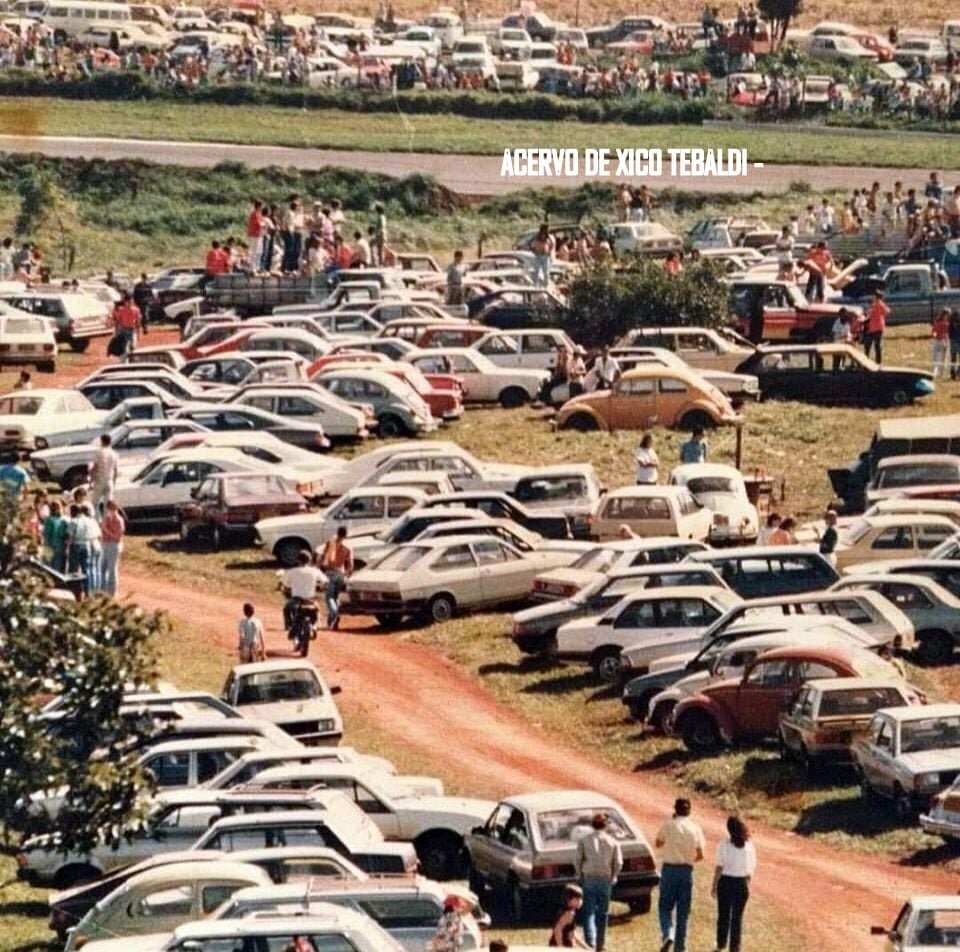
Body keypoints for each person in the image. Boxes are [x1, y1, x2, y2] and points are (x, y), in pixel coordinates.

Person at [656, 797, 706, 952]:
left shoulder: (668, 824)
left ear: (675, 809)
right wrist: (689, 860)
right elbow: (701, 854)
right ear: (689, 810)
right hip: (686, 871)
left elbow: (658, 843)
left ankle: (668, 932)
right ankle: (680, 947)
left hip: (670, 869)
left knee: (665, 907)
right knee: (683, 911)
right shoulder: (695, 828)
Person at [574, 812, 622, 952]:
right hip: (605, 879)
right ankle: (601, 944)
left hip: (589, 877)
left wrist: (579, 874)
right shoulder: (613, 842)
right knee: (603, 912)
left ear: (592, 825)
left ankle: (590, 942)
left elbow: (577, 860)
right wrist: (614, 876)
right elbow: (618, 862)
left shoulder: (584, 840)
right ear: (605, 826)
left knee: (588, 911)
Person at [712, 816, 756, 952]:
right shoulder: (749, 846)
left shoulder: (724, 845)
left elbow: (719, 867)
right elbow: (751, 868)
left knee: (723, 915)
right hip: (741, 883)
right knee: (737, 918)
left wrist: (714, 885)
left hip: (726, 882)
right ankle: (735, 948)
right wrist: (746, 883)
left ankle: (721, 944)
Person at [318, 526, 353, 630]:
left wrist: (319, 568)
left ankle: (334, 613)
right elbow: (350, 564)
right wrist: (346, 574)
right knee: (336, 596)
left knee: (329, 597)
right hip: (340, 572)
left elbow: (324, 557)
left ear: (337, 533)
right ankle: (332, 621)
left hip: (330, 572)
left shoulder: (331, 543)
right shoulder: (348, 547)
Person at [281, 549, 325, 632]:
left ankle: (289, 627)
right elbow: (325, 581)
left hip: (296, 599)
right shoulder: (315, 571)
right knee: (317, 609)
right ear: (309, 560)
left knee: (286, 609)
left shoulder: (292, 571)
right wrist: (320, 587)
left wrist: (286, 588)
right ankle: (316, 625)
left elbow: (285, 584)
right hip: (310, 599)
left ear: (298, 560)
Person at [98, 498, 125, 596]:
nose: (110, 510)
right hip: (105, 544)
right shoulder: (107, 518)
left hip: (114, 545)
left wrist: (105, 529)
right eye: (109, 508)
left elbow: (117, 537)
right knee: (102, 568)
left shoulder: (119, 520)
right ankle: (102, 591)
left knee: (112, 569)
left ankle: (112, 592)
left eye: (112, 508)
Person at [89, 433, 119, 516]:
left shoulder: (98, 452)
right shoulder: (114, 454)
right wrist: (114, 482)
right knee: (107, 504)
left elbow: (95, 467)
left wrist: (91, 481)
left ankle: (98, 519)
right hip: (110, 480)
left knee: (94, 503)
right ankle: (106, 520)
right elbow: (116, 470)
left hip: (100, 480)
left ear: (102, 441)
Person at [112, 291, 143, 356]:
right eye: (128, 302)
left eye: (130, 301)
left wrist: (138, 334)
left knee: (133, 346)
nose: (129, 303)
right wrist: (116, 332)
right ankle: (124, 361)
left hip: (132, 330)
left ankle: (131, 358)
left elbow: (138, 323)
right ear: (125, 302)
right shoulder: (121, 310)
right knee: (124, 348)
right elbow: (117, 322)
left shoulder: (136, 310)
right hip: (123, 330)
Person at [43, 499, 68, 572]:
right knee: (57, 569)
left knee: (47, 568)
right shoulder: (63, 521)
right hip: (60, 547)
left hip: (49, 546)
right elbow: (64, 535)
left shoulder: (48, 520)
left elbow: (46, 534)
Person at [864, 290, 889, 363]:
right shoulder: (876, 304)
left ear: (876, 296)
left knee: (874, 345)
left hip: (876, 328)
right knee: (873, 345)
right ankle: (872, 360)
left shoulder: (879, 304)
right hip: (874, 327)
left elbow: (886, 311)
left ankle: (876, 361)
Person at [530, 223, 555, 288]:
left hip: (545, 256)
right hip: (538, 255)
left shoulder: (548, 237)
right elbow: (530, 243)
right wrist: (533, 250)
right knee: (536, 271)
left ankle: (546, 286)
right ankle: (536, 286)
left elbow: (552, 244)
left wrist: (549, 251)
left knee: (546, 272)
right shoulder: (537, 236)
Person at [932, 307, 951, 377]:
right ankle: (941, 372)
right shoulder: (946, 324)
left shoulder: (937, 322)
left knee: (936, 357)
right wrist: (945, 341)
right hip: (943, 341)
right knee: (943, 358)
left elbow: (934, 332)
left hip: (936, 341)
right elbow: (946, 334)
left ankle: (935, 372)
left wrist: (935, 336)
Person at [950, 310, 960, 381]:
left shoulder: (951, 324)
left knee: (953, 359)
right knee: (953, 359)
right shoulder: (953, 324)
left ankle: (954, 373)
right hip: (957, 342)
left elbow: (950, 335)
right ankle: (956, 373)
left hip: (953, 342)